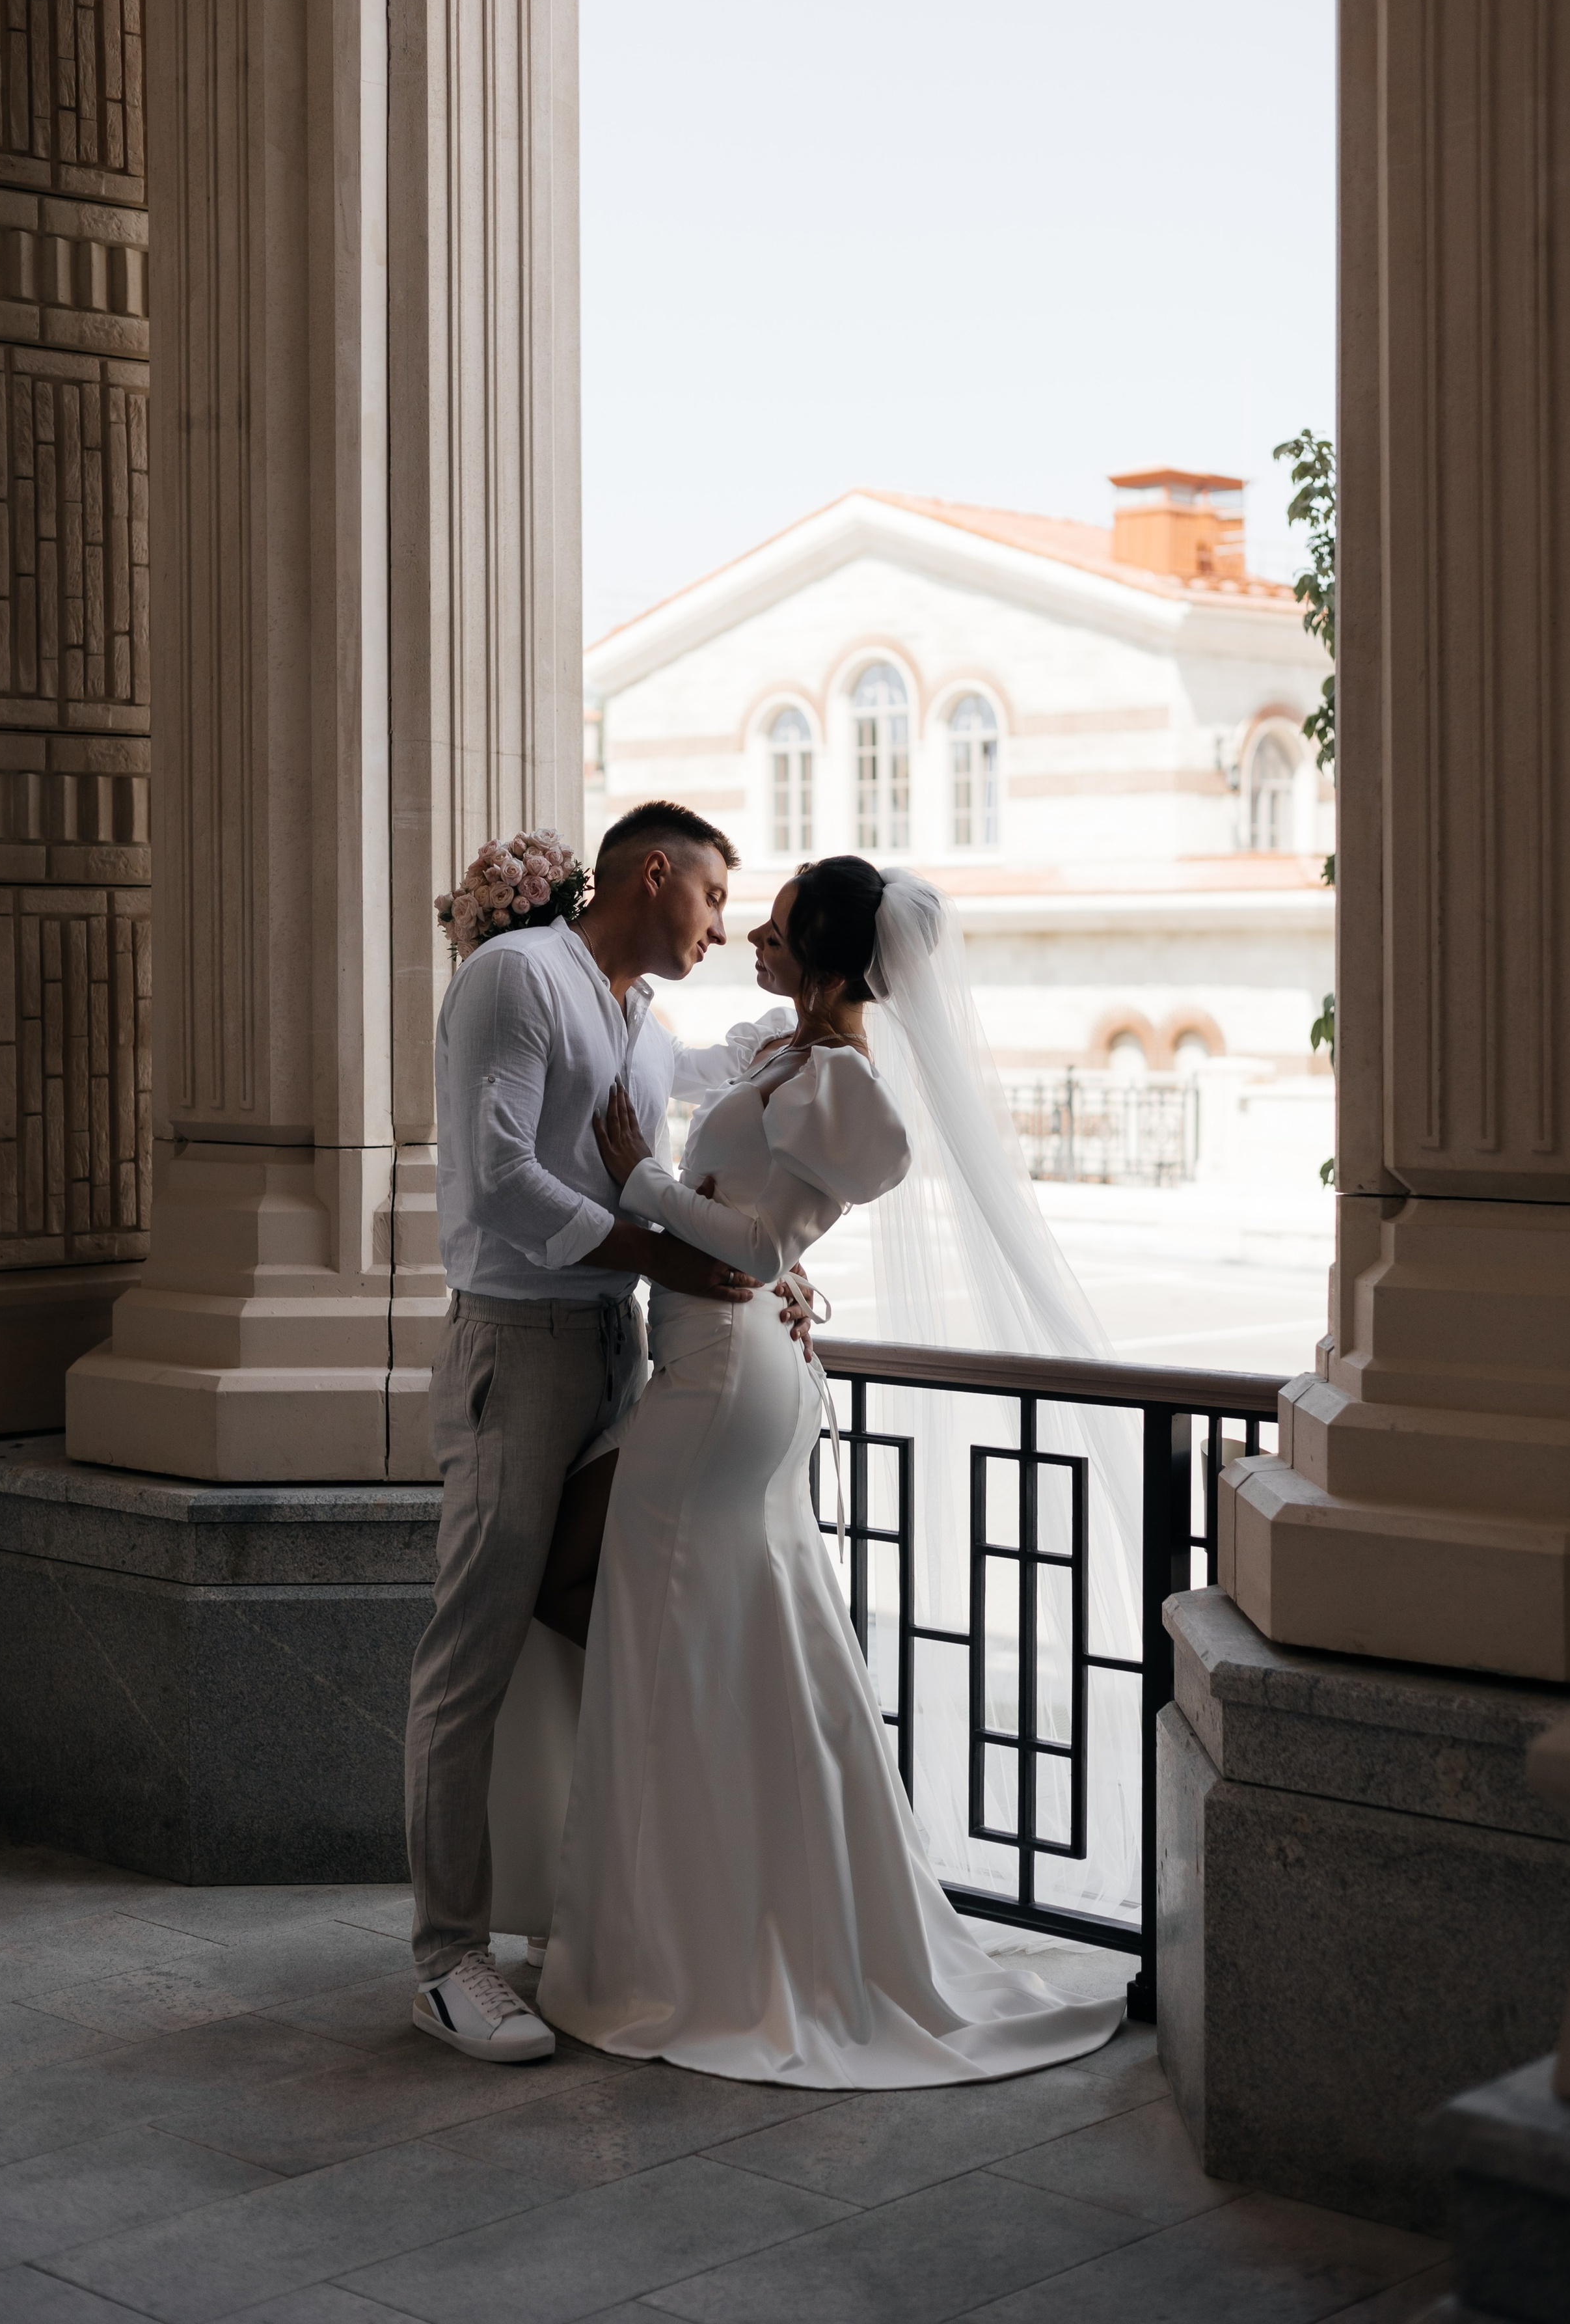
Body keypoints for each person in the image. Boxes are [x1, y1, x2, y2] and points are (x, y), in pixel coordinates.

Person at [532, 856, 1129, 2087]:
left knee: (664, 1630)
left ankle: (688, 1949)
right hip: (720, 1363)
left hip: (718, 1387)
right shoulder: (784, 1059)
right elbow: (766, 1224)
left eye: (780, 919)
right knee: (729, 1643)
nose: (754, 930)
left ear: (832, 959)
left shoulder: (847, 1086)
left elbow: (761, 1236)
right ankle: (723, 1914)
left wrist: (645, 1179)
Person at [405, 801, 794, 2066]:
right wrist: (658, 1247)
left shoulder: (639, 1020)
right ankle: (445, 1959)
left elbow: (734, 1073)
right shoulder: (514, 977)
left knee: (602, 1613)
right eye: (715, 899)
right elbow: (501, 1177)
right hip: (513, 1353)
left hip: (616, 1352)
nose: (721, 927)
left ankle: (568, 1907)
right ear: (653, 872)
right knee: (468, 1654)